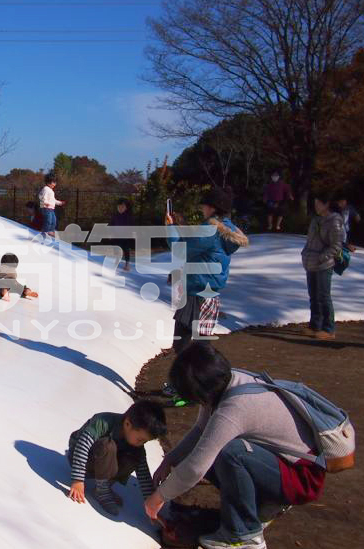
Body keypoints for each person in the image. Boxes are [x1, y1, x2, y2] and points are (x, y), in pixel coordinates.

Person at [145, 342, 326, 549]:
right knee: (210, 450)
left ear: (200, 390)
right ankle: (258, 506)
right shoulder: (226, 382)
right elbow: (200, 431)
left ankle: (245, 535)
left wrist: (158, 498)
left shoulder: (234, 407)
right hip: (278, 464)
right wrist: (170, 460)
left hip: (301, 477)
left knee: (228, 453)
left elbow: (196, 467)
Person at [165, 187, 248, 355]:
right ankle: (204, 379)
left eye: (204, 205)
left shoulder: (209, 230)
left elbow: (180, 249)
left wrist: (170, 227)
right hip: (211, 296)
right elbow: (196, 246)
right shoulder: (226, 229)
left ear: (213, 208)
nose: (202, 208)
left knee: (182, 345)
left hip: (196, 294)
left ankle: (183, 381)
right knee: (203, 346)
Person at [67, 400, 166, 516]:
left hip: (102, 463)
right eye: (140, 439)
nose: (141, 443)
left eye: (145, 441)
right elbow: (82, 445)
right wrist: (78, 480)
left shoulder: (135, 444)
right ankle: (102, 491)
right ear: (127, 424)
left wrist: (151, 504)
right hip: (82, 458)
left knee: (136, 455)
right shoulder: (104, 421)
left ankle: (104, 487)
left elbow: (143, 473)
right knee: (107, 446)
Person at [301, 192, 344, 340]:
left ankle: (328, 328)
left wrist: (322, 257)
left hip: (323, 264)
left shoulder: (334, 221)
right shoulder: (316, 220)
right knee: (313, 296)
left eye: (318, 203)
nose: (316, 206)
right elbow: (310, 240)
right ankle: (315, 325)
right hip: (310, 262)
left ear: (326, 204)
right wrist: (305, 254)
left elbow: (336, 245)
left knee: (324, 296)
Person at [110, 197, 134, 272]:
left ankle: (127, 264)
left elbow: (132, 226)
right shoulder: (115, 216)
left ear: (126, 208)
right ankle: (116, 261)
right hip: (116, 235)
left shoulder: (128, 216)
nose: (120, 208)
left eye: (122, 207)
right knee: (116, 249)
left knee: (126, 249)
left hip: (125, 236)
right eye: (119, 207)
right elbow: (111, 224)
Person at [38, 172, 65, 238]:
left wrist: (59, 203)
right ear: (48, 182)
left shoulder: (51, 190)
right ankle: (45, 231)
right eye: (53, 182)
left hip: (51, 209)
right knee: (48, 220)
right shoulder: (46, 189)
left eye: (55, 182)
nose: (54, 184)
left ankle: (50, 231)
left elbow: (53, 200)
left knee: (54, 221)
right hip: (46, 208)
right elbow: (42, 197)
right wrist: (45, 202)